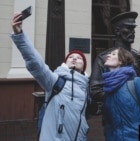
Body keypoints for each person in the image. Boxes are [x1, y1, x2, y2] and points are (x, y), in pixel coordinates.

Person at [11, 13, 89, 141]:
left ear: (84, 66)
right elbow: (36, 64)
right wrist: (20, 37)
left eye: (79, 58)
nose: (74, 58)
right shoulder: (56, 81)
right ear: (65, 62)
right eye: (70, 57)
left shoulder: (86, 87)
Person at [102, 47, 140, 141]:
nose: (108, 55)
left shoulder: (136, 82)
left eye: (114, 54)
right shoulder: (109, 88)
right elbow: (108, 122)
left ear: (121, 61)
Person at [90, 11, 140, 106]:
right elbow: (94, 90)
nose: (133, 32)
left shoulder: (138, 56)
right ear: (117, 31)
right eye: (129, 28)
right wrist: (119, 97)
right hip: (114, 110)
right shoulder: (103, 58)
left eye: (134, 28)